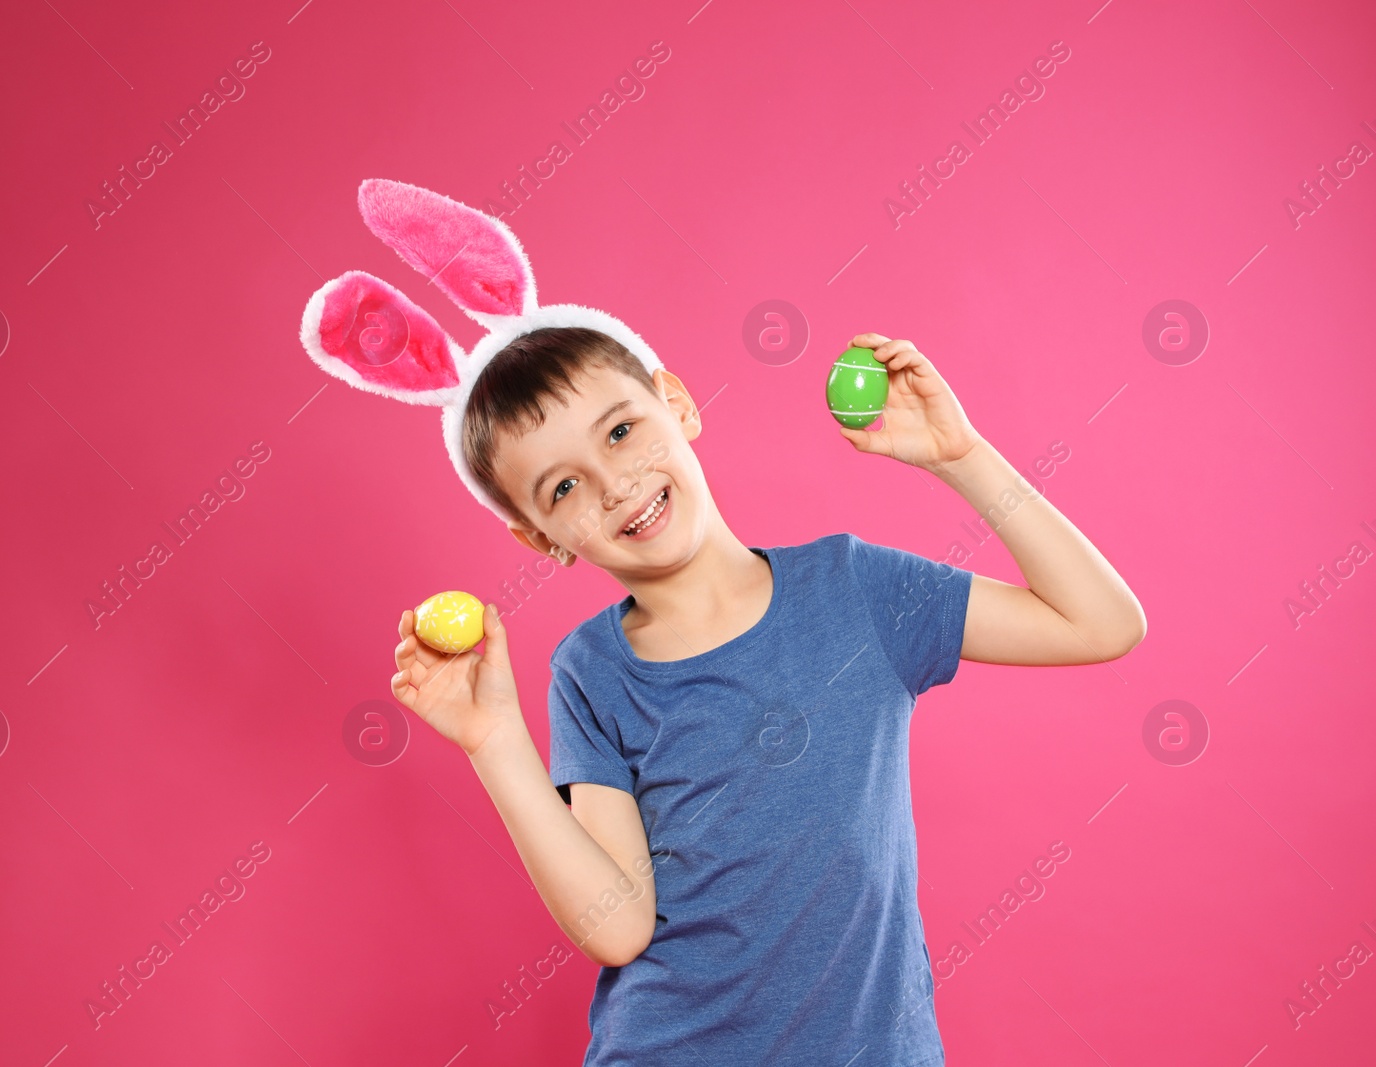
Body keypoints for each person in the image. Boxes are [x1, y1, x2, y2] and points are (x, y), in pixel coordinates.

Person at [304, 179, 1145, 1066]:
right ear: (538, 535)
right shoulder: (590, 669)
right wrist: (494, 740)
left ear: (677, 401)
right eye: (562, 486)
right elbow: (619, 926)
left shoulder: (854, 588)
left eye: (621, 431)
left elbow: (1098, 623)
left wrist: (963, 458)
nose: (613, 483)